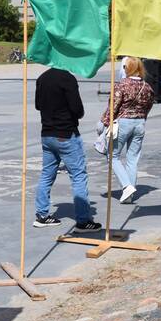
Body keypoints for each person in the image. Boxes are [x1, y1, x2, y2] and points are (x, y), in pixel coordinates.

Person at [33, 66, 100, 231]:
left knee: (47, 174)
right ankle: (83, 220)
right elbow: (77, 109)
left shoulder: (42, 78)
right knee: (78, 175)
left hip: (47, 133)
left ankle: (42, 215)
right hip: (65, 133)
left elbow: (37, 105)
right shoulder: (67, 79)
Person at [100, 57, 154, 203]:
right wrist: (142, 117)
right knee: (132, 159)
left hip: (123, 123)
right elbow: (150, 104)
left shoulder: (122, 85)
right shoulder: (147, 86)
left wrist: (105, 122)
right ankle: (129, 195)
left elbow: (114, 106)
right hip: (140, 123)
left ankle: (126, 186)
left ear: (127, 69)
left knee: (113, 155)